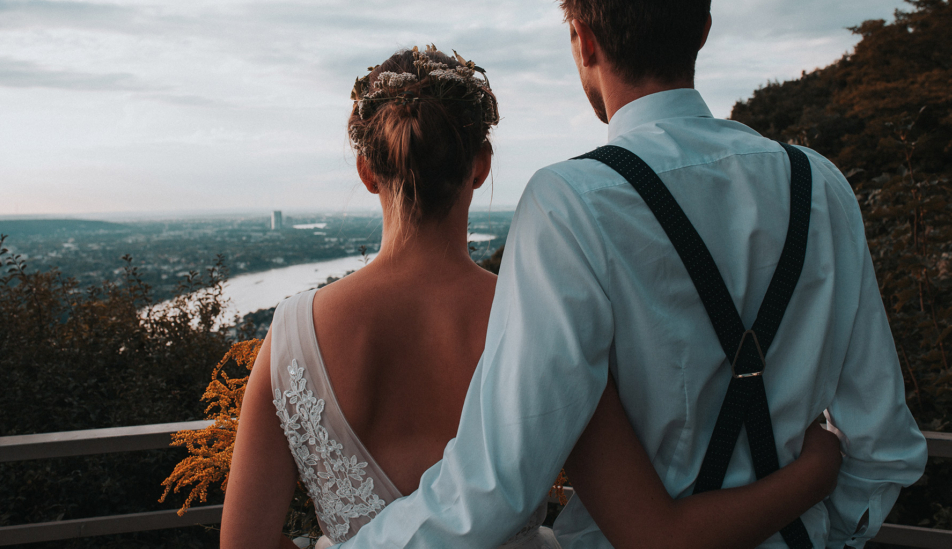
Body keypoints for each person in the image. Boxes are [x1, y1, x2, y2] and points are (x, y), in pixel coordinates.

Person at [328, 0, 929, 549]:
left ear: (583, 40)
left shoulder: (570, 202)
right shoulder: (819, 184)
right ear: (701, 31)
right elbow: (883, 441)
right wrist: (826, 532)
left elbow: (496, 484)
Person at [221, 46, 843, 549]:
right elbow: (655, 534)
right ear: (481, 166)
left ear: (366, 170)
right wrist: (816, 471)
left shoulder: (293, 335)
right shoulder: (543, 319)